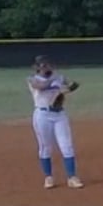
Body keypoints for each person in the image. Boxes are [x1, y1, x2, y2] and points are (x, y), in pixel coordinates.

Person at [27, 55, 84, 189]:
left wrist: (67, 89)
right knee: (45, 147)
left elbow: (71, 85)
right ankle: (48, 177)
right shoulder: (32, 79)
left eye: (48, 64)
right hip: (42, 115)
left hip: (59, 115)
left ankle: (72, 177)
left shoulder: (59, 77)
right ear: (37, 67)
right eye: (44, 65)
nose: (47, 67)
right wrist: (55, 80)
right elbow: (41, 86)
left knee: (67, 146)